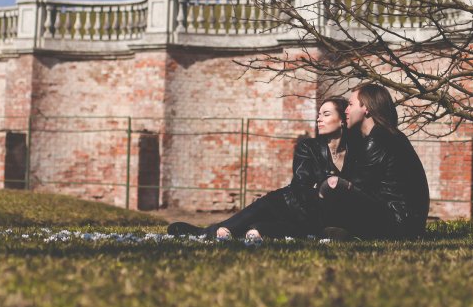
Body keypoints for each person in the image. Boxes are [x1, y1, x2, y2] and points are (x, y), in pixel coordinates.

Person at [167, 96, 360, 240]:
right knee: (224, 231)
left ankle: (253, 230)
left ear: (342, 120)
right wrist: (327, 188)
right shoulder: (308, 146)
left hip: (309, 219)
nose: (319, 119)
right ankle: (203, 232)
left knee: (257, 231)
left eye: (326, 114)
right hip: (283, 203)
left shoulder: (356, 152)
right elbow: (302, 185)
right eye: (318, 115)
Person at [317, 83, 430, 239]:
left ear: (366, 108)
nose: (346, 110)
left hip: (399, 223)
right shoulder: (384, 135)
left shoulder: (379, 138)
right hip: (403, 220)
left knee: (334, 185)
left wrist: (323, 190)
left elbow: (357, 185)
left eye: (351, 104)